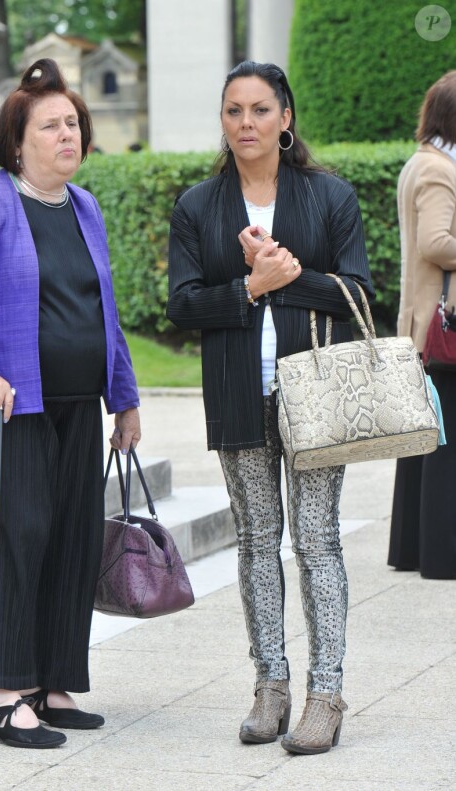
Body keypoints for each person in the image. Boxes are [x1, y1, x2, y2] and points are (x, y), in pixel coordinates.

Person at [0, 58, 141, 749]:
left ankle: (51, 679)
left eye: (74, 123)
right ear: (17, 141)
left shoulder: (86, 207)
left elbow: (105, 311)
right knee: (15, 541)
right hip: (5, 411)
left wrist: (123, 398)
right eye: (52, 126)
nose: (68, 135)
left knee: (70, 540)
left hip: (76, 403)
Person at [167, 61, 374, 755]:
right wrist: (250, 286)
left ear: (286, 117)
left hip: (314, 393)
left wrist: (291, 277)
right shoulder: (199, 205)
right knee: (257, 540)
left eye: (260, 110)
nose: (246, 124)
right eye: (233, 111)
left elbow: (358, 294)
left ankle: (326, 692)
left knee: (316, 539)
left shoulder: (330, 196)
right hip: (235, 390)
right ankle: (271, 687)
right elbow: (182, 303)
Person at [388, 71, 456, 580]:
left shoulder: (421, 162)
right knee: (444, 441)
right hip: (444, 326)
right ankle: (441, 555)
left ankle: (411, 548)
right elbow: (436, 242)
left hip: (421, 323)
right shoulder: (440, 170)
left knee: (424, 441)